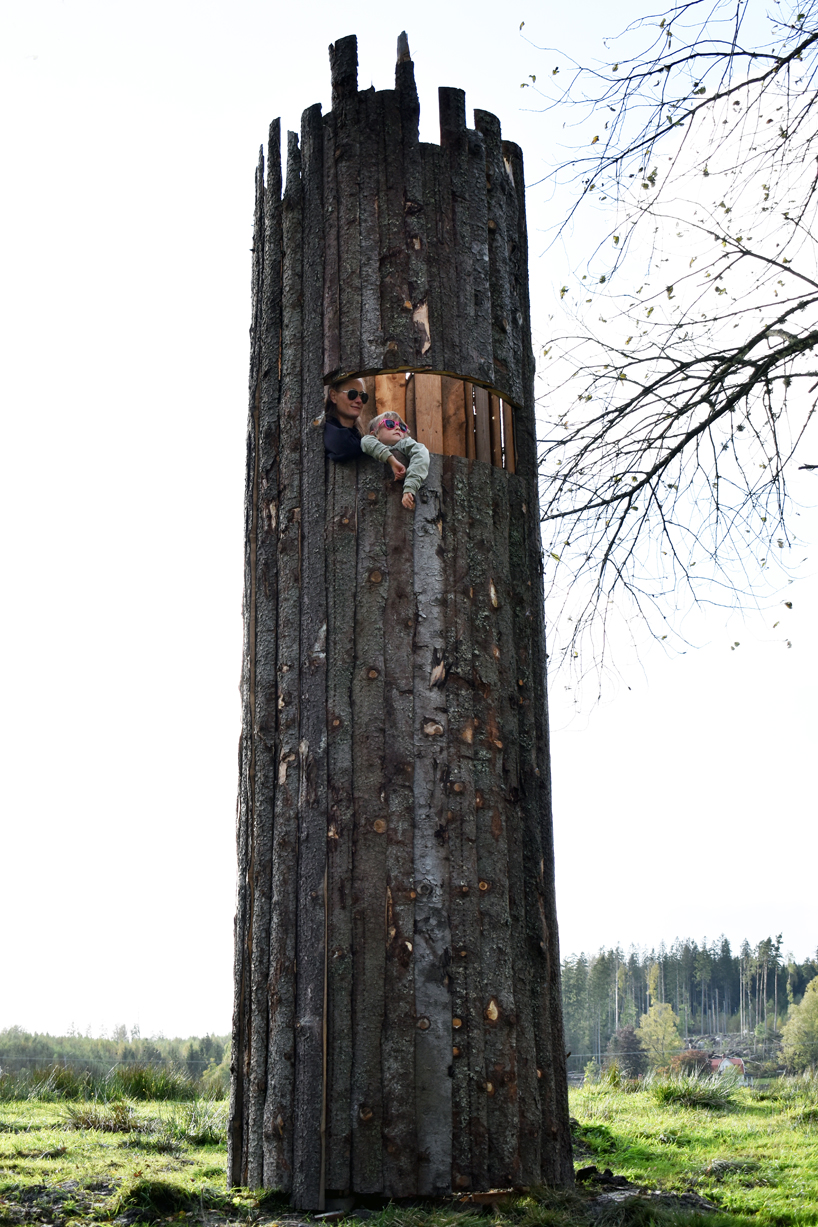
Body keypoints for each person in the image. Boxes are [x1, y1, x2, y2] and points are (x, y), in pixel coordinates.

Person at [361, 412, 429, 509]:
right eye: (390, 424)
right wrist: (391, 460)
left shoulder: (405, 443)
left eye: (402, 427)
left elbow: (421, 454)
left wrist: (410, 487)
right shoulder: (369, 441)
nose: (397, 428)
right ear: (375, 434)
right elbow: (365, 441)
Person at [323, 377, 367, 461]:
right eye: (352, 394)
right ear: (333, 396)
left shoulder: (359, 435)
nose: (359, 400)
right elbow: (344, 446)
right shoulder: (323, 429)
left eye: (363, 396)